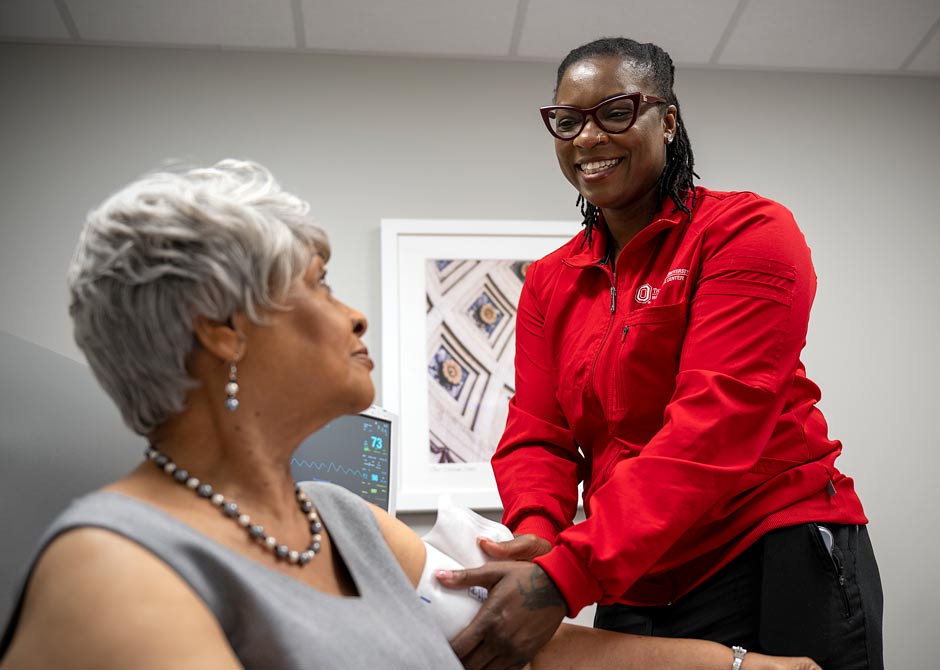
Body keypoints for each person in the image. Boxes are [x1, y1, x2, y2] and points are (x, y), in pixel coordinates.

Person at [0, 159, 821, 670]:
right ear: (221, 331)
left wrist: (744, 667)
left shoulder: (342, 521)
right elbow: (535, 436)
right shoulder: (108, 573)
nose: (354, 315)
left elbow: (538, 648)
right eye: (317, 287)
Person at [437, 37, 884, 670]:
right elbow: (540, 433)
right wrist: (538, 532)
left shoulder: (745, 232)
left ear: (667, 120)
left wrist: (569, 572)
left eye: (615, 112)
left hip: (767, 546)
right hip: (635, 571)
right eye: (567, 121)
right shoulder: (550, 280)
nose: (588, 137)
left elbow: (716, 424)